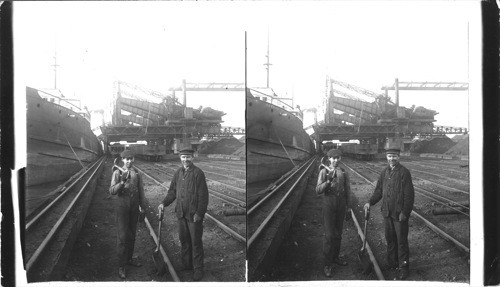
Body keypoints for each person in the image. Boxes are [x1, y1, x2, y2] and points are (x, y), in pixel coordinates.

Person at [363, 142, 415, 280]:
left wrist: (405, 212)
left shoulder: (404, 172)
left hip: (399, 214)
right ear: (387, 157)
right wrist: (370, 202)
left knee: (401, 241)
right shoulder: (385, 172)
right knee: (390, 239)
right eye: (390, 156)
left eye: (395, 156)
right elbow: (379, 191)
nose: (392, 159)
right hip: (387, 212)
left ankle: (404, 267)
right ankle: (392, 263)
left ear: (399, 157)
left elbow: (409, 195)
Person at [158, 146, 209, 281]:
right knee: (184, 240)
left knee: (196, 242)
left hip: (193, 215)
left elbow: (203, 196)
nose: (186, 159)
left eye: (188, 157)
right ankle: (187, 265)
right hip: (181, 213)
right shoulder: (178, 173)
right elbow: (172, 192)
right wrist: (164, 203)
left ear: (192, 158)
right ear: (180, 158)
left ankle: (198, 269)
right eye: (183, 157)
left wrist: (199, 213)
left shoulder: (198, 173)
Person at [109, 150, 146, 279]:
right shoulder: (117, 172)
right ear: (122, 160)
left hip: (134, 208)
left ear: (133, 159)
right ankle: (121, 265)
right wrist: (122, 182)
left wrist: (143, 207)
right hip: (122, 208)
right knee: (122, 237)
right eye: (126, 159)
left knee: (132, 235)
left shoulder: (137, 173)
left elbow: (141, 191)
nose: (129, 161)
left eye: (131, 159)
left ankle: (129, 259)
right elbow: (112, 190)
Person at [316, 148, 351, 277]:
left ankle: (335, 258)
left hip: (341, 204)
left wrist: (349, 207)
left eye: (338, 158)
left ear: (340, 159)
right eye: (333, 158)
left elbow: (347, 190)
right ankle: (327, 264)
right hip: (328, 204)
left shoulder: (343, 172)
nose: (335, 160)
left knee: (338, 234)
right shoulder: (324, 171)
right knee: (329, 236)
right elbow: (318, 190)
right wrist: (329, 181)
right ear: (329, 159)